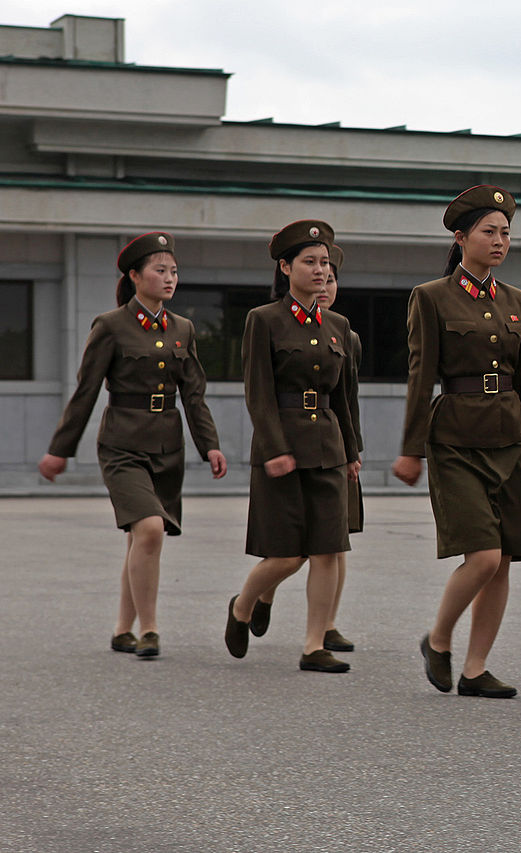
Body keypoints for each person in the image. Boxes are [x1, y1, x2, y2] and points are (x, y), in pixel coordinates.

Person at [40, 232, 226, 658]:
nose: (169, 278)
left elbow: (194, 396)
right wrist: (60, 449)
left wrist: (209, 445)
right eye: (160, 270)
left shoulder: (183, 328)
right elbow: (85, 392)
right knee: (149, 529)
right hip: (122, 444)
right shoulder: (111, 325)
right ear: (135, 276)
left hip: (167, 445)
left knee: (140, 539)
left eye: (174, 271)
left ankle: (123, 628)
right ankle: (150, 629)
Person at [392, 186, 521, 699]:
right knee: (482, 555)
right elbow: (420, 376)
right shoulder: (431, 297)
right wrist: (411, 449)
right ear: (461, 238)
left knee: (503, 559)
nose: (500, 241)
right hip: (455, 438)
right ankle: (438, 639)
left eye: (505, 233)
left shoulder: (518, 301)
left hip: (512, 438)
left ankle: (476, 668)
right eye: (488, 232)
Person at [223, 220, 360, 673]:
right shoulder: (264, 320)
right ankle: (243, 605)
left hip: (328, 446)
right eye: (310, 262)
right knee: (287, 553)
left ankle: (313, 644)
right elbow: (257, 392)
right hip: (281, 447)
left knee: (326, 549)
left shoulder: (337, 325)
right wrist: (274, 447)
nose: (320, 270)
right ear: (286, 267)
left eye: (325, 263)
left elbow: (343, 397)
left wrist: (353, 452)